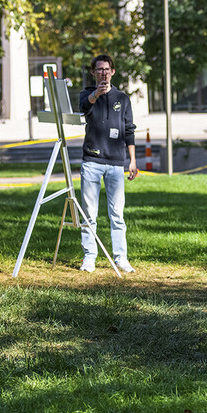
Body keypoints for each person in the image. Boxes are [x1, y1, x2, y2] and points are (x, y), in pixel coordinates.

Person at [79, 54, 138, 274]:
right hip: (92, 161)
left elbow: (129, 130)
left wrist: (132, 161)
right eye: (99, 69)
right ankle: (89, 257)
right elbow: (84, 107)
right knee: (89, 213)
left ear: (113, 71)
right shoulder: (87, 94)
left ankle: (121, 257)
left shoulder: (122, 98)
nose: (103, 72)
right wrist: (97, 93)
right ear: (93, 72)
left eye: (107, 69)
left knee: (117, 214)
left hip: (115, 163)